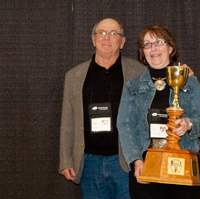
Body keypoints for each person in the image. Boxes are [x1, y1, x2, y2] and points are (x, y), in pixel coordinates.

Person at [117, 25, 200, 199]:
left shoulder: (189, 82)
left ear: (170, 48)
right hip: (146, 163)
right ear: (143, 52)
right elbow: (125, 125)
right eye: (147, 44)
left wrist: (188, 123)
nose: (153, 48)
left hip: (181, 162)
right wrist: (135, 159)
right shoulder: (133, 86)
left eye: (158, 42)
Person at [59, 18, 147, 199]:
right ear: (93, 39)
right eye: (102, 33)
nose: (107, 37)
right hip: (89, 162)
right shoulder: (74, 76)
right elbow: (67, 121)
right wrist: (66, 159)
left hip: (125, 162)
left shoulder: (139, 73)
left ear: (122, 42)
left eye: (114, 33)